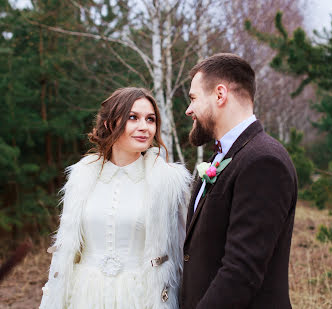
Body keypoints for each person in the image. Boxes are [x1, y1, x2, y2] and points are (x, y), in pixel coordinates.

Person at [39, 87, 191, 309]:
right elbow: (66, 252)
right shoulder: (82, 178)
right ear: (111, 123)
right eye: (133, 117)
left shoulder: (168, 183)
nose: (144, 127)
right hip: (84, 296)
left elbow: (180, 257)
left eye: (150, 119)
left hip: (140, 298)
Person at [180, 53, 298, 309]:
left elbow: (241, 272)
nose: (189, 110)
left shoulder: (264, 161)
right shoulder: (225, 156)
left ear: (220, 95)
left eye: (193, 98)